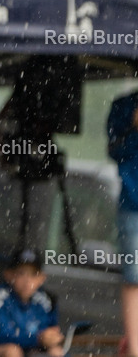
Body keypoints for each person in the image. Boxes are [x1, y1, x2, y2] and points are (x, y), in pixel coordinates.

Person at [0, 249, 64, 357]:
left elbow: (50, 330)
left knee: (56, 352)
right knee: (12, 351)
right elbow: (0, 336)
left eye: (33, 274)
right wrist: (39, 339)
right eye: (21, 273)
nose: (27, 281)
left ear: (41, 278)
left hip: (30, 350)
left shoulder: (45, 300)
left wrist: (51, 340)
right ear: (8, 275)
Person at [107, 89, 138, 357]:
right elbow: (114, 151)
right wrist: (133, 129)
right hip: (133, 204)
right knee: (133, 276)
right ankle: (135, 346)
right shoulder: (124, 105)